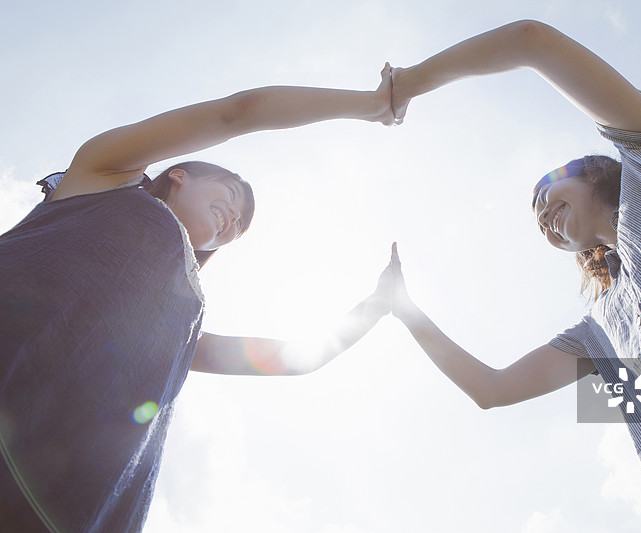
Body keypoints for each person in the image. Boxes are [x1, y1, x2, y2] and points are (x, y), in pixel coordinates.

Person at [385, 20, 641, 532]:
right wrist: (402, 310)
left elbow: (532, 41)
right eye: (537, 221)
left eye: (547, 192)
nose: (541, 215)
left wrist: (407, 84)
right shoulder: (600, 330)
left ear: (594, 170)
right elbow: (492, 388)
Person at [0, 66, 397, 532]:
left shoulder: (175, 321)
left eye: (239, 225)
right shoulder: (103, 176)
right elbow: (237, 113)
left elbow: (294, 359)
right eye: (230, 196)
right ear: (179, 175)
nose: (233, 218)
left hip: (61, 506)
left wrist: (377, 306)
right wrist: (371, 104)